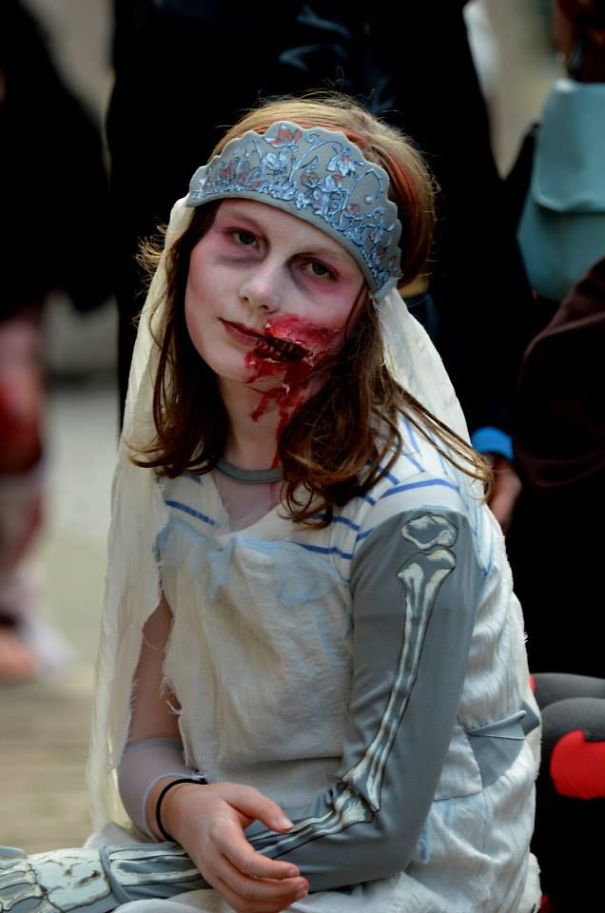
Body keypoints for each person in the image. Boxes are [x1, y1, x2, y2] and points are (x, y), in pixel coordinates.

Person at [0, 95, 540, 913]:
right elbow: (146, 741)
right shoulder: (184, 470)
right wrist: (180, 802)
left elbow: (379, 827)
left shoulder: (407, 512)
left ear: (364, 316)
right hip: (227, 840)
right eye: (242, 241)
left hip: (404, 875)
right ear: (187, 250)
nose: (259, 290)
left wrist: (100, 880)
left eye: (315, 268)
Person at [107, 1, 534, 531]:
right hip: (219, 411)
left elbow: (468, 211)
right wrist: (168, 437)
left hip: (404, 384)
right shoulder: (180, 22)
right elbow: (155, 248)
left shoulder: (421, 20)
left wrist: (492, 420)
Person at [0, 0, 111, 682]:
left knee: (11, 406)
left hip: (9, 281)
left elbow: (66, 146)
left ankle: (8, 596)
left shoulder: (24, 56)